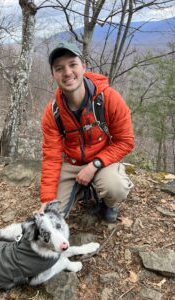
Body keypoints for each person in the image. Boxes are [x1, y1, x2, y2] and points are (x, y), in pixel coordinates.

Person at [39, 41, 134, 223]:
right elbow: (51, 157)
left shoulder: (109, 99)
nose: (67, 73)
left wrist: (95, 165)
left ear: (83, 67)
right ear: (53, 75)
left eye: (73, 65)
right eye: (59, 68)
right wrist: (46, 200)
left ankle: (108, 203)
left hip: (102, 161)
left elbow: (125, 141)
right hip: (71, 163)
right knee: (51, 218)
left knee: (116, 187)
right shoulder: (53, 112)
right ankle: (82, 191)